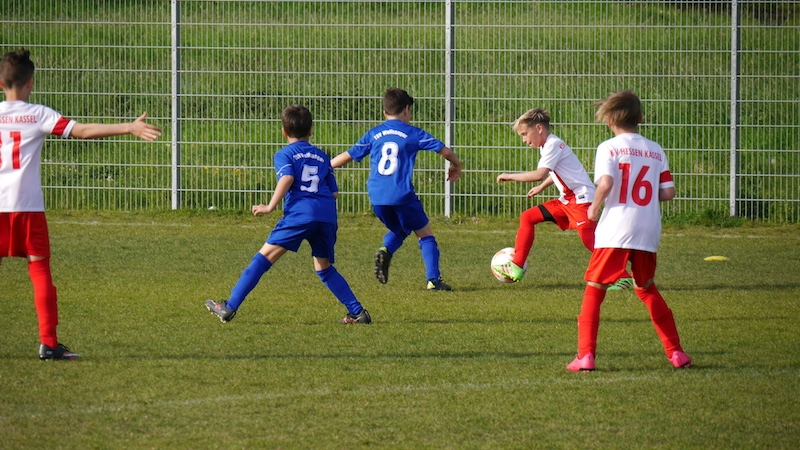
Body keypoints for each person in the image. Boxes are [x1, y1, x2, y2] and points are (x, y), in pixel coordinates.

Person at [0, 49, 162, 360]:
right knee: (39, 271)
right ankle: (49, 344)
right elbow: (82, 132)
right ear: (30, 82)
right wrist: (129, 127)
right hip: (26, 207)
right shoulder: (38, 114)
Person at [205, 104, 371, 325]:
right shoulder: (322, 156)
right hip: (326, 215)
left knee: (263, 258)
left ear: (284, 131)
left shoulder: (285, 154)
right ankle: (358, 312)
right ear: (311, 130)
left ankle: (229, 306)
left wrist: (269, 206)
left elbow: (287, 178)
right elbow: (334, 193)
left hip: (300, 214)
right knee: (324, 268)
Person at [567, 90, 692, 372]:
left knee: (595, 289)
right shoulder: (655, 149)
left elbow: (606, 183)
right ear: (640, 118)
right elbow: (668, 192)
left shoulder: (609, 147)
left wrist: (594, 207)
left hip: (616, 228)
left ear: (610, 119)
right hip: (647, 229)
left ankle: (585, 355)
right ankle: (676, 353)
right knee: (646, 288)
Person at [330, 87, 462, 291]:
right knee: (425, 234)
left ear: (385, 112)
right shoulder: (413, 133)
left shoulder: (374, 134)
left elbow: (348, 155)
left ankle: (385, 250)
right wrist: (456, 165)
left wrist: (325, 167)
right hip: (401, 194)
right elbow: (444, 151)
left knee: (401, 229)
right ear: (407, 109)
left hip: (376, 197)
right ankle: (433, 280)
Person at [493, 108, 633, 290]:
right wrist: (542, 187)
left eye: (525, 134)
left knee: (591, 241)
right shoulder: (547, 145)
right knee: (528, 217)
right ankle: (517, 265)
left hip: (581, 199)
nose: (524, 140)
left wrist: (510, 176)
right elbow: (558, 172)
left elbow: (540, 174)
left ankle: (623, 276)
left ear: (539, 128)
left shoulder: (553, 144)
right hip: (568, 199)